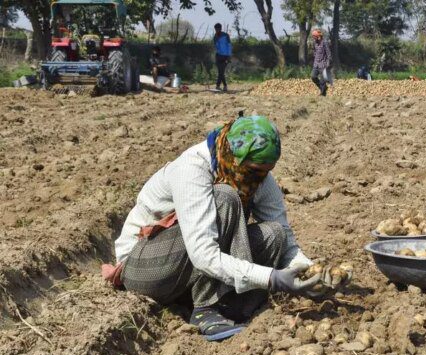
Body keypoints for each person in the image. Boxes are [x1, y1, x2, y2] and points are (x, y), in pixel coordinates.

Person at [101, 115, 320, 341]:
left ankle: (227, 306)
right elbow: (203, 254)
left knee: (274, 234)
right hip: (145, 271)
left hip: (185, 270)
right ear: (233, 156)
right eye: (255, 171)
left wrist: (312, 272)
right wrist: (271, 278)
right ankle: (205, 308)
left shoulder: (256, 174)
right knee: (226, 197)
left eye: (266, 172)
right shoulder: (192, 169)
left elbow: (285, 234)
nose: (259, 180)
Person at [310, 28, 332, 96]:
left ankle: (323, 93)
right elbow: (314, 51)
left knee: (322, 81)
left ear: (318, 36)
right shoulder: (314, 43)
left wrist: (328, 62)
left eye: (314, 36)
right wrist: (315, 57)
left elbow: (328, 54)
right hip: (316, 64)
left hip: (323, 64)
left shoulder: (324, 42)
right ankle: (324, 88)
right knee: (313, 77)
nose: (313, 38)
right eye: (313, 36)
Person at [213, 23, 232, 92]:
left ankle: (219, 86)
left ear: (220, 28)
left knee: (221, 71)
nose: (216, 30)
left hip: (225, 56)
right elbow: (216, 47)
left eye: (217, 29)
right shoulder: (215, 37)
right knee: (220, 72)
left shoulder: (226, 36)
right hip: (218, 56)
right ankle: (224, 86)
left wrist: (229, 56)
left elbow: (229, 46)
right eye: (215, 29)